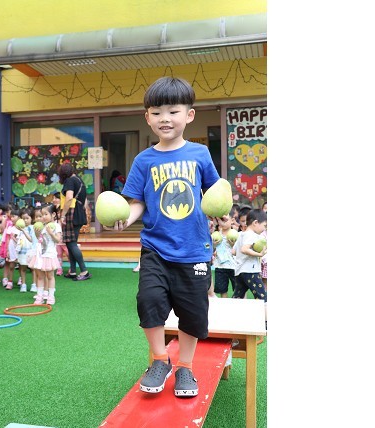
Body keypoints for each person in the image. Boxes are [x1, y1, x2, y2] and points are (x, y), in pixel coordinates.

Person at [111, 76, 220, 397]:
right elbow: (137, 201)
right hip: (155, 248)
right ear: (147, 117)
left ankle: (185, 367)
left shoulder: (200, 154)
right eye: (157, 112)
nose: (165, 118)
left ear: (189, 115)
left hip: (194, 249)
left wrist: (221, 209)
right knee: (148, 301)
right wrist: (125, 218)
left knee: (193, 312)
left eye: (173, 111)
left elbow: (214, 192)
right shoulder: (144, 160)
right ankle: (160, 360)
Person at [58, 162, 92, 281]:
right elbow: (85, 200)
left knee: (71, 243)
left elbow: (69, 198)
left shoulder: (69, 181)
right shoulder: (79, 180)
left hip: (71, 213)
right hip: (79, 212)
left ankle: (84, 271)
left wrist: (63, 215)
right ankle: (72, 271)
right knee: (70, 243)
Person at [29, 203, 62, 304]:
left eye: (45, 214)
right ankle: (40, 297)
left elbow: (57, 240)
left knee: (50, 276)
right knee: (40, 276)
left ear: (53, 215)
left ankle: (51, 297)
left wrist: (51, 233)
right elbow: (40, 240)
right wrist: (37, 233)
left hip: (49, 255)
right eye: (42, 214)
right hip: (39, 254)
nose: (43, 217)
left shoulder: (56, 226)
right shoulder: (42, 225)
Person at [231, 209, 267, 302]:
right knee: (262, 297)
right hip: (250, 271)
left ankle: (230, 310)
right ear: (255, 223)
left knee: (238, 297)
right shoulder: (251, 235)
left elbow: (234, 252)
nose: (264, 229)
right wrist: (259, 254)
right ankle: (265, 312)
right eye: (264, 226)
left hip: (240, 271)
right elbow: (244, 249)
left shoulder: (241, 235)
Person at [212, 212, 238, 298]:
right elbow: (212, 249)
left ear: (232, 220)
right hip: (220, 266)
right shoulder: (216, 234)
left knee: (238, 289)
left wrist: (233, 245)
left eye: (225, 220)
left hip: (234, 266)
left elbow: (240, 250)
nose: (223, 222)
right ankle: (224, 305)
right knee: (222, 290)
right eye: (221, 220)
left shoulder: (236, 234)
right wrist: (214, 245)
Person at [16, 207, 35, 292]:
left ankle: (34, 284)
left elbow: (32, 239)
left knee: (33, 268)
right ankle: (23, 284)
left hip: (31, 250)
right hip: (22, 251)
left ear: (32, 218)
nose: (25, 220)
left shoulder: (33, 228)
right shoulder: (19, 228)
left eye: (27, 218)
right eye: (23, 218)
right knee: (22, 268)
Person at [2, 211, 23, 290]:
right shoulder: (10, 228)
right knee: (11, 265)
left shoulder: (22, 229)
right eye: (11, 217)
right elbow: (7, 239)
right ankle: (10, 281)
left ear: (19, 217)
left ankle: (21, 279)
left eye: (14, 216)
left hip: (20, 250)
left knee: (21, 265)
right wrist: (7, 250)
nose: (12, 218)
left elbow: (22, 240)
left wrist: (15, 238)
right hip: (11, 249)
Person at [52, 194, 69, 276]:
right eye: (53, 198)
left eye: (56, 198)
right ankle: (59, 268)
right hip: (57, 239)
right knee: (58, 254)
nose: (54, 200)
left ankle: (72, 267)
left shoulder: (65, 215)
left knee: (68, 253)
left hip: (65, 238)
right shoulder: (54, 219)